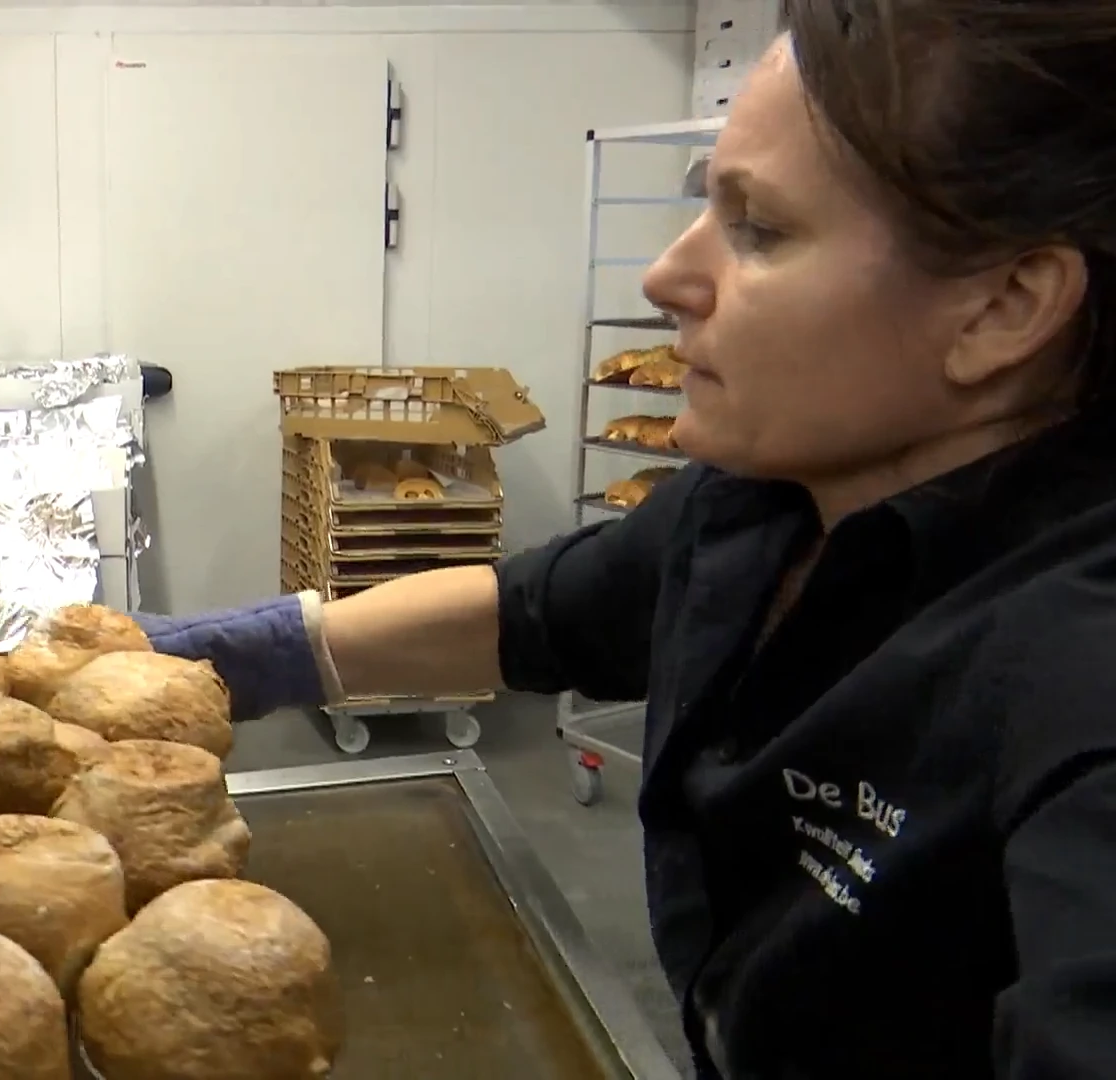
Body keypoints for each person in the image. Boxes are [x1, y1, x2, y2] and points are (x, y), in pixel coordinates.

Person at [136, 4, 1116, 1077]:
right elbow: (540, 613)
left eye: (761, 229)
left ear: (1004, 308)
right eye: (708, 205)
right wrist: (255, 653)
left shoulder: (1080, 661)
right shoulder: (764, 503)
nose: (666, 278)